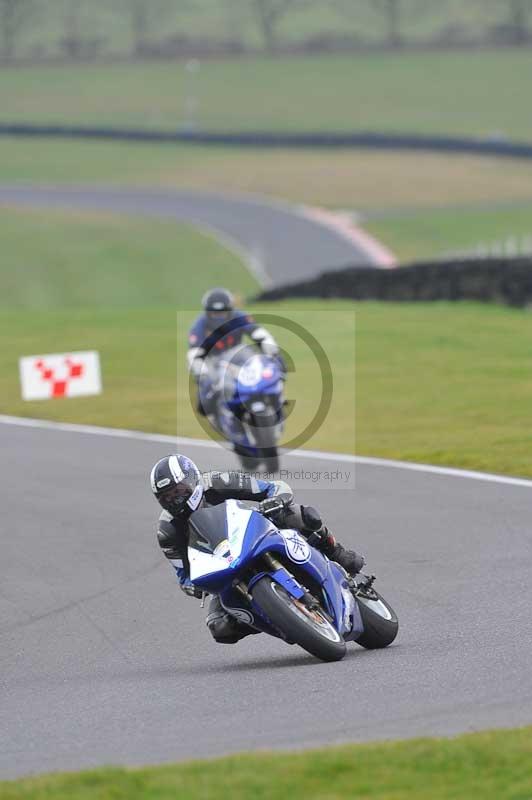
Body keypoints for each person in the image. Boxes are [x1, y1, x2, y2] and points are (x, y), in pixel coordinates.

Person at [151, 453, 365, 644]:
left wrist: (276, 501)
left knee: (297, 514)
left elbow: (274, 487)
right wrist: (195, 586)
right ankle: (275, 617)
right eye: (167, 498)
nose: (175, 500)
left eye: (178, 491)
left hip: (253, 534)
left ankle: (336, 551)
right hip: (224, 568)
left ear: (192, 480)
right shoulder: (167, 531)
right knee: (220, 628)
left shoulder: (218, 481)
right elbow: (183, 575)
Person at [187, 288, 281, 416]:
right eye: (215, 314)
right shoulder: (200, 324)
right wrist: (201, 372)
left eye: (223, 313)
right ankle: (220, 411)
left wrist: (271, 349)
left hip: (238, 352)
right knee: (207, 396)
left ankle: (273, 399)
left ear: (230, 310)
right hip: (213, 359)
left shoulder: (239, 316)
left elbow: (258, 332)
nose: (219, 317)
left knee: (264, 366)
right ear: (208, 313)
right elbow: (195, 352)